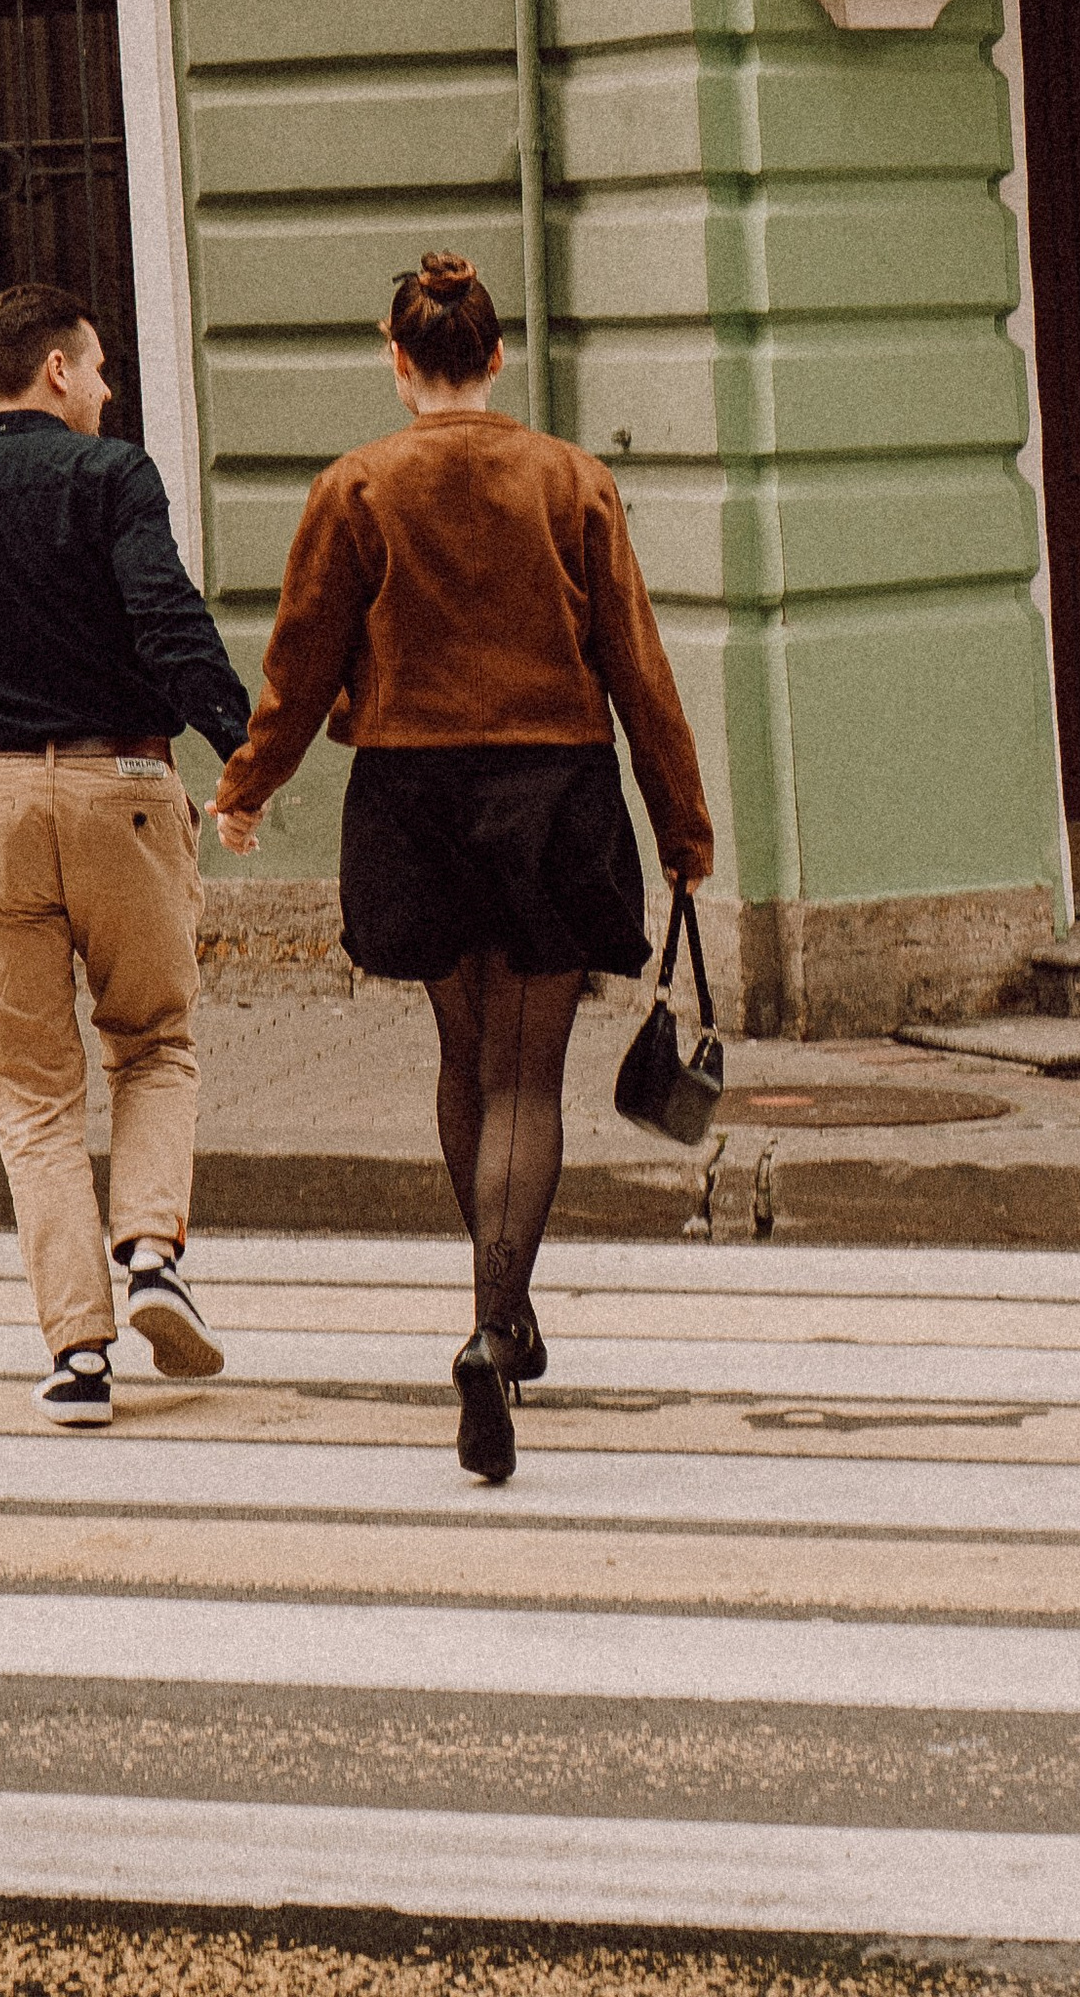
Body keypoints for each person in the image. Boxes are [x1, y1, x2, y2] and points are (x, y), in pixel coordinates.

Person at [211, 249, 713, 1485]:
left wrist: (246, 787)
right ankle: (499, 1320)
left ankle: (499, 1309)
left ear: (398, 362)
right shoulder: (570, 480)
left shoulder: (356, 487)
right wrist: (684, 832)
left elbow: (302, 661)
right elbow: (636, 670)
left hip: (414, 794)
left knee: (461, 1056)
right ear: (495, 358)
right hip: (552, 792)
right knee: (527, 1077)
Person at [0, 281, 251, 1428]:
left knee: (30, 1095)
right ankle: (153, 1255)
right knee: (155, 1042)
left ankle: (77, 1354)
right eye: (101, 365)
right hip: (124, 787)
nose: (111, 387)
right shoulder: (112, 474)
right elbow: (164, 614)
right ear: (60, 371)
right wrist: (241, 745)